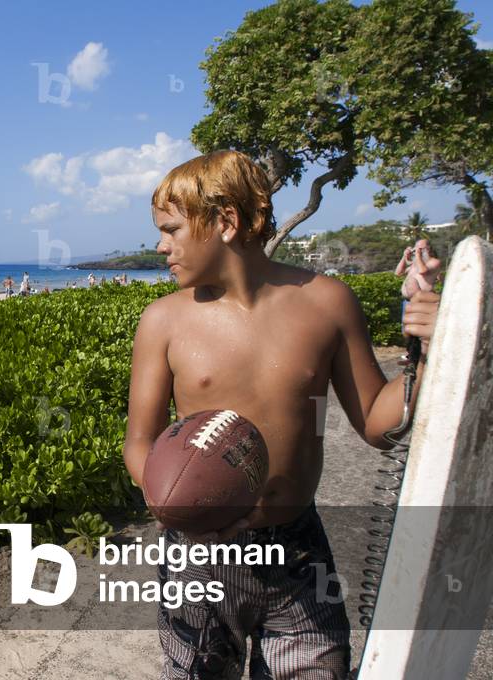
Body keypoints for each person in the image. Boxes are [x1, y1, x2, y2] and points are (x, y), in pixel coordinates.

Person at [122, 150, 441, 679]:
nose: (161, 246)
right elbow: (141, 441)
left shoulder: (327, 303)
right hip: (197, 554)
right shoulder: (163, 321)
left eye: (171, 230)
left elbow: (378, 425)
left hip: (296, 549)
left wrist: (425, 351)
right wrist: (172, 502)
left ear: (225, 222)